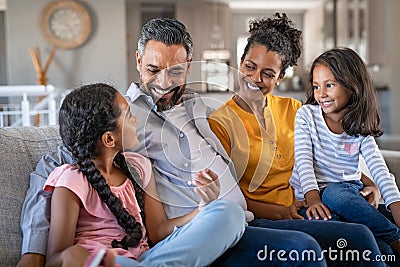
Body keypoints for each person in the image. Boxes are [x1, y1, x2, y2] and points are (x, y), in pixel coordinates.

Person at [18, 17, 326, 267]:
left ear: (189, 65)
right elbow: (55, 162)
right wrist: (34, 253)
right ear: (139, 61)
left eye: (176, 71)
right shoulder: (121, 118)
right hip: (193, 235)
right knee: (303, 251)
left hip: (243, 222)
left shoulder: (201, 109)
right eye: (153, 70)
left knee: (346, 241)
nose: (165, 84)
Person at [208, 13, 389, 266]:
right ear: (240, 63)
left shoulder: (294, 110)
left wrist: (371, 183)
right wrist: (281, 211)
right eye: (250, 67)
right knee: (358, 238)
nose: (255, 78)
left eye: (268, 73)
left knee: (381, 237)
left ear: (280, 77)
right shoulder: (220, 123)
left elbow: (333, 155)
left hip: (312, 206)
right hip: (268, 219)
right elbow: (228, 197)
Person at [42, 83, 245, 267]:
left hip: (147, 259)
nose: (135, 120)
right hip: (103, 262)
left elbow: (158, 233)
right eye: (129, 116)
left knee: (229, 213)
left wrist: (202, 209)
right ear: (109, 139)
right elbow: (54, 259)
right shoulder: (72, 180)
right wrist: (71, 256)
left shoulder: (139, 167)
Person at [289, 47, 400, 255]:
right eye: (316, 86)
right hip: (313, 197)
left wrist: (396, 205)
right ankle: (393, 238)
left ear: (352, 86)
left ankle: (393, 236)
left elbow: (379, 168)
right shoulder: (306, 116)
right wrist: (313, 198)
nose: (321, 94)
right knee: (370, 239)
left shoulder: (359, 125)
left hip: (346, 192)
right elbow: (303, 160)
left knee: (336, 194)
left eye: (329, 85)